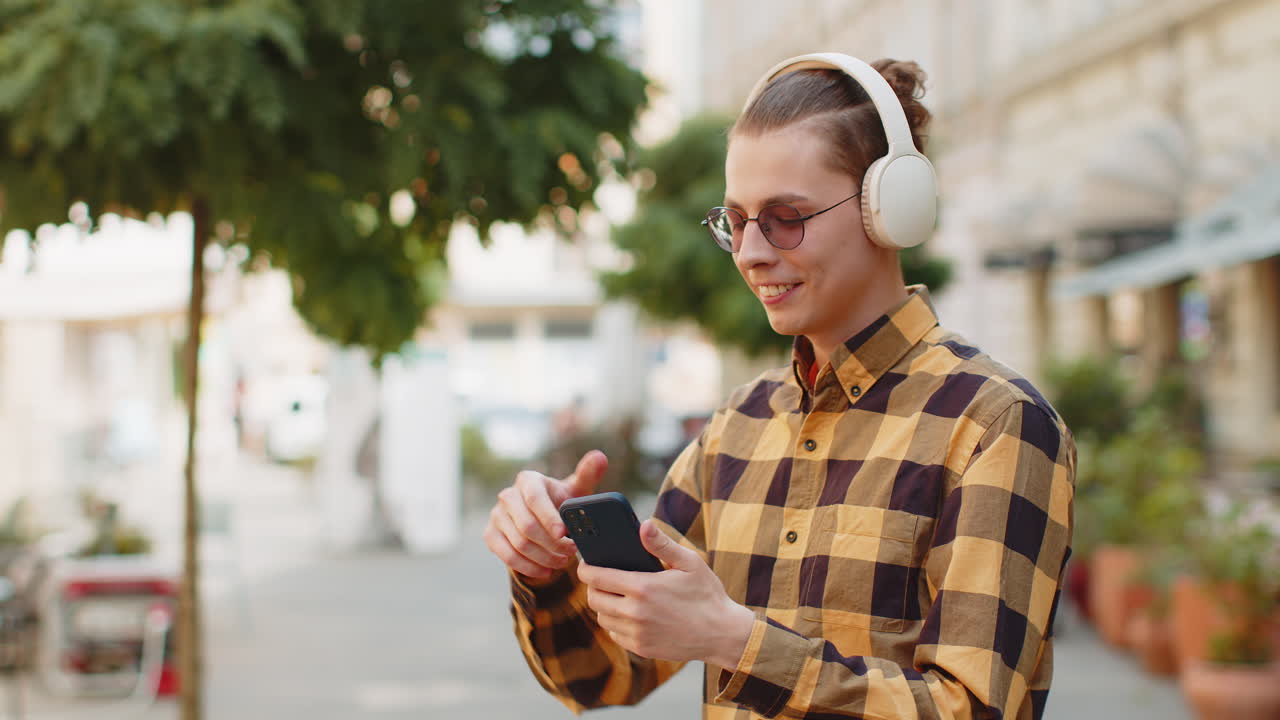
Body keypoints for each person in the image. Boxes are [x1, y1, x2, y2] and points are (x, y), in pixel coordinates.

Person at [484, 53, 1075, 720]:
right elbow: (603, 677)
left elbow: (972, 710)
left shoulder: (995, 424)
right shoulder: (737, 426)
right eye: (735, 221)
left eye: (786, 217)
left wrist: (736, 641)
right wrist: (547, 568)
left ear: (890, 210)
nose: (751, 251)